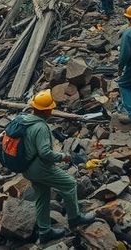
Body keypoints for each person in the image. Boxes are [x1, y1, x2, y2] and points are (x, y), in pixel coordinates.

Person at [16, 90, 96, 242]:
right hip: (38, 168)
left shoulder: (25, 120)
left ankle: (44, 232)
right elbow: (45, 153)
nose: (52, 110)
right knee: (70, 184)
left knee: (42, 196)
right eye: (50, 108)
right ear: (45, 110)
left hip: (26, 168)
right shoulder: (40, 127)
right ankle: (75, 218)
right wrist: (63, 156)